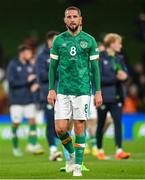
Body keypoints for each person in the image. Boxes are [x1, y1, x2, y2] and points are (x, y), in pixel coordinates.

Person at [47, 6, 102, 176]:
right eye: (69, 17)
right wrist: (51, 89)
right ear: (65, 20)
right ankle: (71, 154)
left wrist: (98, 91)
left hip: (83, 90)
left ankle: (77, 165)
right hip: (63, 90)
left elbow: (95, 68)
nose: (72, 19)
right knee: (61, 129)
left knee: (79, 126)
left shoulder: (89, 40)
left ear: (80, 19)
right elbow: (52, 67)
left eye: (74, 16)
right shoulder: (58, 41)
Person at [96, 33, 131, 160]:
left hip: (117, 97)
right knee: (100, 124)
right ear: (111, 44)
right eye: (118, 43)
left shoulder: (119, 58)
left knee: (117, 123)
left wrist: (125, 76)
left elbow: (125, 73)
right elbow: (98, 78)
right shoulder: (101, 58)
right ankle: (99, 150)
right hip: (104, 97)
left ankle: (119, 150)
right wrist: (115, 77)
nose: (120, 45)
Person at [7, 45, 43, 157]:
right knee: (16, 123)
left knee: (32, 121)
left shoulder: (30, 65)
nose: (30, 55)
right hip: (16, 100)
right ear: (22, 53)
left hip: (29, 99)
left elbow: (36, 78)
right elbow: (11, 82)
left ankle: (32, 144)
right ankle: (15, 147)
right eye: (28, 53)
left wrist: (36, 84)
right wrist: (26, 81)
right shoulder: (13, 64)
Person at [36, 31, 62, 161]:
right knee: (51, 122)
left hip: (63, 94)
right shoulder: (41, 57)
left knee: (62, 123)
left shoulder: (63, 54)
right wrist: (56, 73)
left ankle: (56, 148)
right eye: (55, 40)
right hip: (49, 94)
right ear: (49, 41)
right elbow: (41, 76)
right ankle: (53, 149)